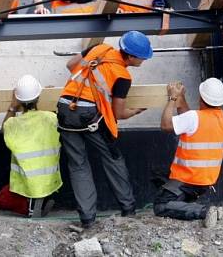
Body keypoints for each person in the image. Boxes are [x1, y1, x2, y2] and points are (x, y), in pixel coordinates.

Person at [56, 31, 152, 228]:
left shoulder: (99, 49)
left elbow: (70, 66)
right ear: (131, 56)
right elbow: (118, 113)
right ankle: (128, 208)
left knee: (78, 164)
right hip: (90, 116)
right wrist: (135, 111)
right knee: (113, 158)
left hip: (65, 108)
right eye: (142, 57)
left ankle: (87, 220)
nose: (143, 60)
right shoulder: (122, 76)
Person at [155, 78, 223, 228]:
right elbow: (188, 120)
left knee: (161, 205)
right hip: (204, 181)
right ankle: (185, 203)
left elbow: (166, 125)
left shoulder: (194, 117)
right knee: (158, 175)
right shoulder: (220, 117)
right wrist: (181, 99)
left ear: (201, 97)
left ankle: (204, 211)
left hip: (188, 179)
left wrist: (173, 98)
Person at [0, 75, 62, 217]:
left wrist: (13, 106)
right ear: (38, 98)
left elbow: (4, 128)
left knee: (1, 199)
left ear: (18, 99)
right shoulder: (51, 118)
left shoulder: (13, 123)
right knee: (37, 189)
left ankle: (29, 206)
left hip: (25, 181)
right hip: (49, 179)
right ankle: (39, 201)